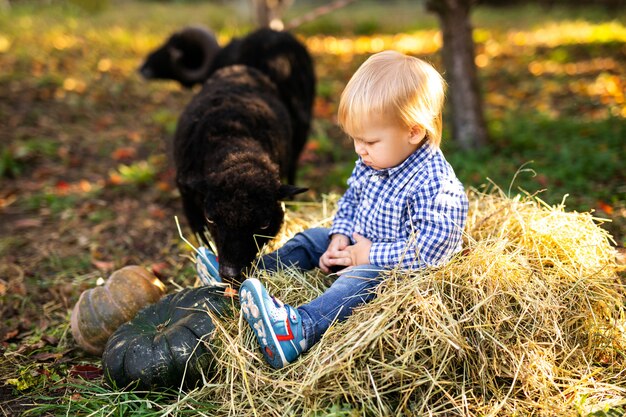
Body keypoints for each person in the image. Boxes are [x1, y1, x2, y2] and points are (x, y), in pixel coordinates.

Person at [238, 50, 469, 369]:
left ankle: (298, 329)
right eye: (355, 139)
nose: (360, 150)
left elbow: (430, 255)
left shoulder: (435, 185)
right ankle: (247, 276)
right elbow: (351, 200)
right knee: (311, 239)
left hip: (395, 270)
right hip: (361, 241)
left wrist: (366, 256)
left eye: (370, 141)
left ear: (413, 131)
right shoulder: (375, 158)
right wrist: (340, 236)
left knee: (360, 279)